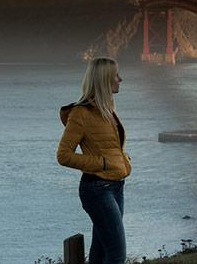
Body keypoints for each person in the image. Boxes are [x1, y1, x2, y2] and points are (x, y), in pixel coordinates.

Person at [57, 57, 131, 264]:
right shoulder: (81, 113)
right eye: (116, 75)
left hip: (116, 185)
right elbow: (63, 155)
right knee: (117, 254)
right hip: (98, 189)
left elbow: (109, 146)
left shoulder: (107, 110)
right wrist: (102, 163)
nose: (120, 79)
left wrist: (122, 160)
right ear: (105, 80)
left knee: (100, 254)